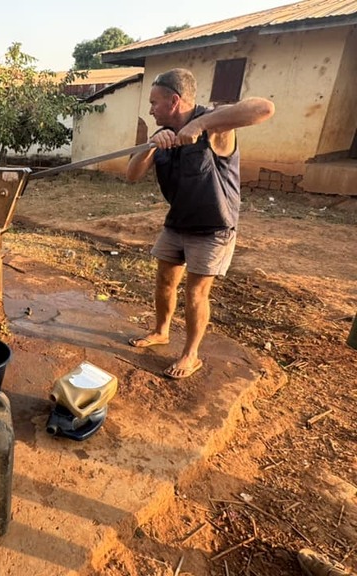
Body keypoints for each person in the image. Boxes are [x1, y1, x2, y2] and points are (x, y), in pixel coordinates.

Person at [126, 68, 275, 379]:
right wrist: (154, 144)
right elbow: (131, 175)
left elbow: (265, 108)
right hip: (178, 221)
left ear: (174, 100)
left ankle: (191, 355)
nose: (150, 109)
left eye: (154, 103)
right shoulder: (162, 134)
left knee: (195, 293)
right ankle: (161, 331)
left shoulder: (216, 126)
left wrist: (200, 124)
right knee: (165, 282)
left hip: (213, 227)